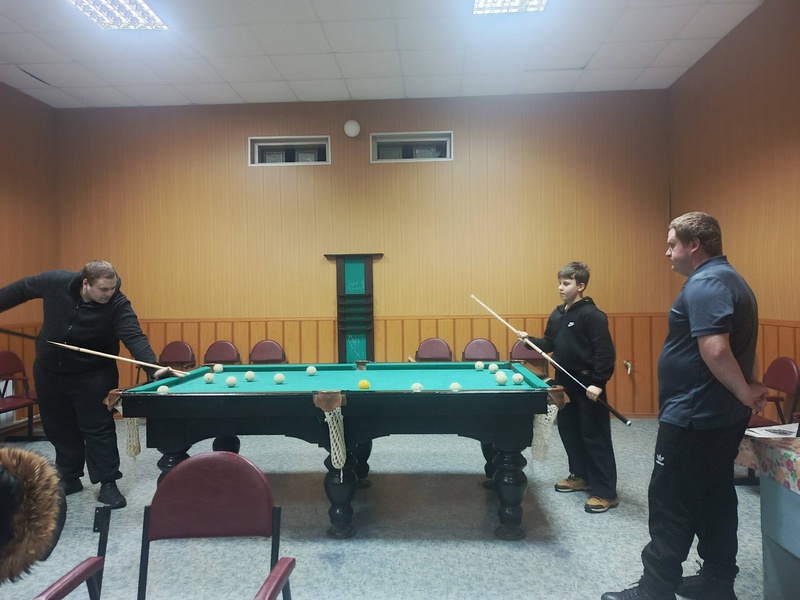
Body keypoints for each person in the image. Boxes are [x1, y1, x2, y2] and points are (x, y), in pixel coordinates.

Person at [602, 212, 767, 600]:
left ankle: (655, 589)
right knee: (714, 495)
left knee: (670, 500)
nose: (667, 252)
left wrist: (746, 392)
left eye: (672, 244)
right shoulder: (730, 278)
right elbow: (741, 348)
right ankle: (717, 582)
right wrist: (748, 387)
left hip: (695, 415)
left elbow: (717, 350)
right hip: (717, 415)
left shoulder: (707, 283)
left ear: (694, 245)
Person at [0, 260, 171, 509]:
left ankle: (108, 483)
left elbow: (133, 335)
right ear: (86, 284)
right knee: (59, 426)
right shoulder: (55, 282)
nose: (109, 293)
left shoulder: (117, 303)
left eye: (113, 287)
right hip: (49, 372)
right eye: (103, 289)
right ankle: (69, 478)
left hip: (94, 374)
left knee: (98, 428)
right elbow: (20, 290)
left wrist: (152, 367)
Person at [517, 261, 618, 513]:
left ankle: (606, 492)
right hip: (564, 382)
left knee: (594, 436)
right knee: (570, 431)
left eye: (566, 283)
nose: (560, 288)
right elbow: (549, 343)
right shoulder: (558, 314)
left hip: (587, 384)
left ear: (580, 286)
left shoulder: (593, 316)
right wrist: (529, 341)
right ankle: (580, 475)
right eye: (559, 283)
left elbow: (605, 352)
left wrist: (598, 382)